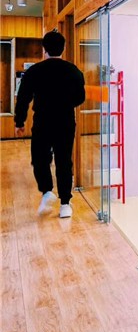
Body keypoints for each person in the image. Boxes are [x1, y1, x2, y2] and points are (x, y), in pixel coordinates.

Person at [14, 30, 85, 218]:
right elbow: (80, 98)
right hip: (65, 121)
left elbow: (23, 98)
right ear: (63, 48)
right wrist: (65, 102)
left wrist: (19, 121)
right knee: (64, 161)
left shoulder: (34, 72)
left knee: (39, 158)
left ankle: (46, 191)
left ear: (44, 49)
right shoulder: (74, 71)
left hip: (42, 122)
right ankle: (65, 204)